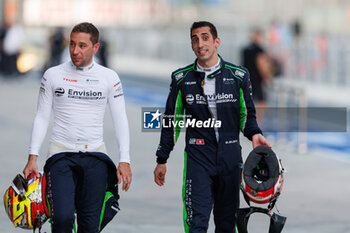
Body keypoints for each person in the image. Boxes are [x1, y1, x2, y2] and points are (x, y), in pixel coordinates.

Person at [153, 21, 270, 233]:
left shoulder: (238, 76)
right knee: (196, 223)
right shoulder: (181, 78)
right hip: (198, 158)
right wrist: (162, 158)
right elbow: (172, 120)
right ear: (191, 44)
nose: (200, 43)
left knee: (227, 225)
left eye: (205, 38)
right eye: (195, 39)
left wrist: (255, 134)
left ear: (217, 42)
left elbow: (246, 115)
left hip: (230, 158)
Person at [23, 22, 132, 233]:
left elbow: (121, 119)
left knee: (90, 226)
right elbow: (42, 117)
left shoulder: (109, 78)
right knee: (62, 219)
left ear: (96, 48)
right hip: (60, 154)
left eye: (82, 45)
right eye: (72, 44)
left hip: (96, 156)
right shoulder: (52, 75)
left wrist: (124, 160)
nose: (75, 51)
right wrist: (32, 156)